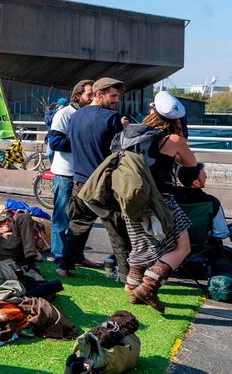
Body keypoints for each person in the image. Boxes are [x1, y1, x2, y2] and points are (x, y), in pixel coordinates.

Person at [124, 92, 195, 312]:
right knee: (182, 247)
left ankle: (132, 286)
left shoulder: (130, 134)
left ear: (151, 112)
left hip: (129, 199)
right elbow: (190, 163)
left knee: (139, 244)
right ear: (175, 119)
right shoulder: (173, 139)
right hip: (161, 200)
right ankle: (148, 286)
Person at [58, 77, 131, 278]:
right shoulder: (112, 117)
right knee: (117, 231)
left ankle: (64, 267)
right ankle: (127, 276)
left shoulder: (76, 116)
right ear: (99, 95)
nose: (117, 100)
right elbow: (119, 152)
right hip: (103, 183)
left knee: (77, 226)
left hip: (80, 181)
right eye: (113, 96)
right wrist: (124, 129)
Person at [47, 80, 99, 267]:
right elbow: (55, 143)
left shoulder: (88, 114)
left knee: (81, 219)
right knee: (62, 217)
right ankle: (59, 255)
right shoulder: (64, 113)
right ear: (78, 96)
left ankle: (76, 255)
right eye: (89, 94)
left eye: (94, 94)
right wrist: (82, 142)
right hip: (65, 173)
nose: (92, 98)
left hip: (84, 175)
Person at [175, 163, 231, 242]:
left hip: (174, 246)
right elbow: (221, 233)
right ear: (196, 183)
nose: (206, 177)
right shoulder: (212, 202)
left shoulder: (170, 200)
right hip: (203, 248)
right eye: (204, 176)